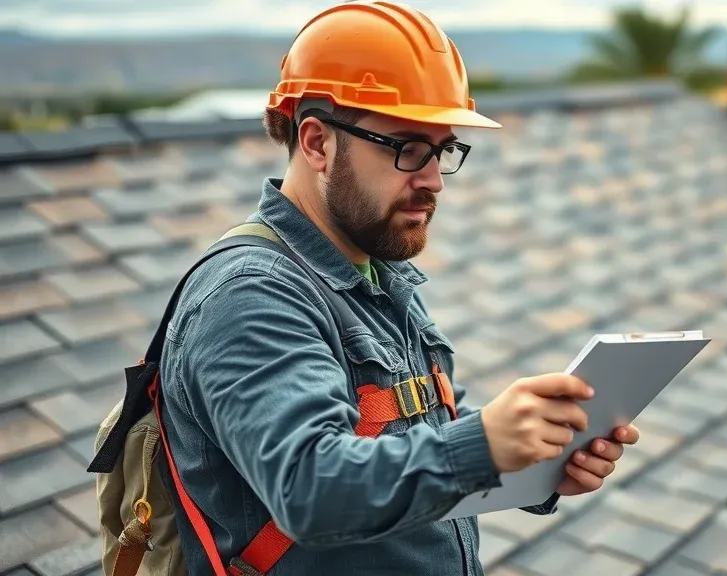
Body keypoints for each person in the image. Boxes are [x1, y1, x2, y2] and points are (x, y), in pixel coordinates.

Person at [155, 2, 641, 574]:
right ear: (316, 143)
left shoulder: (376, 272)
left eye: (444, 150)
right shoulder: (246, 296)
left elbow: (416, 446)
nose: (434, 178)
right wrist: (482, 444)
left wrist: (534, 459)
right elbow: (310, 489)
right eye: (408, 148)